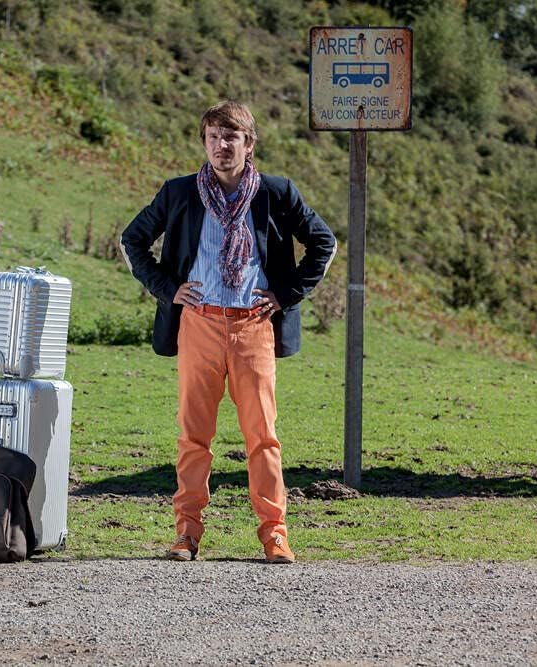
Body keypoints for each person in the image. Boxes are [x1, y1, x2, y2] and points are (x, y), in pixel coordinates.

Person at [120, 100, 336, 563]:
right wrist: (167, 288)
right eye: (214, 137)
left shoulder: (275, 193)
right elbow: (132, 239)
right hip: (198, 324)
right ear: (204, 143)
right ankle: (186, 534)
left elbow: (324, 241)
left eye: (231, 137)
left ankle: (275, 534)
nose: (221, 146)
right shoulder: (179, 192)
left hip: (254, 326)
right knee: (194, 436)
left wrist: (285, 293)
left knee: (263, 437)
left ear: (249, 144)